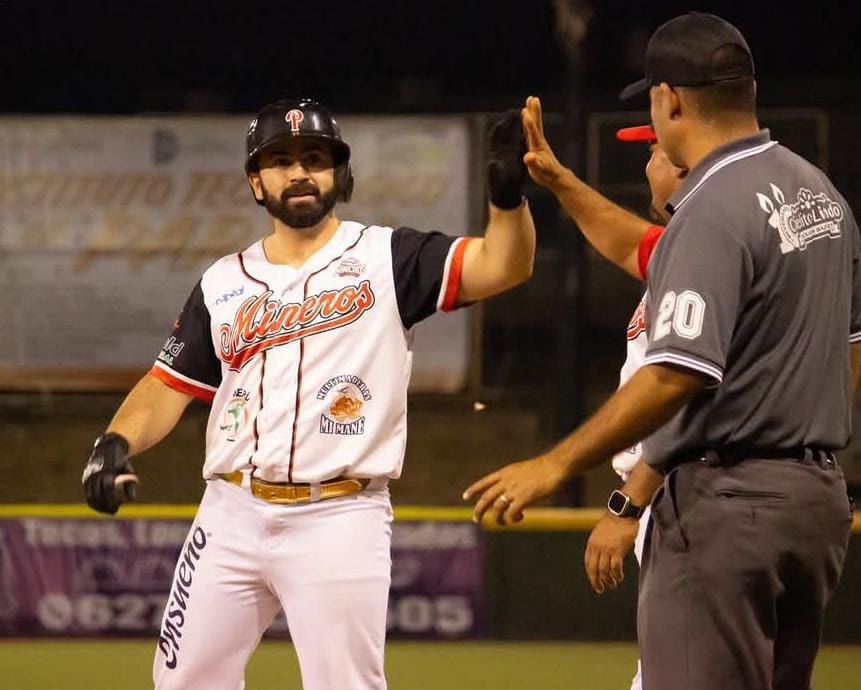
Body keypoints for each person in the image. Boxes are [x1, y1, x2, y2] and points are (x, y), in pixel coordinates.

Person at [81, 96, 536, 690]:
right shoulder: (221, 282)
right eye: (280, 160)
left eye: (315, 157)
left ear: (338, 175)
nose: (299, 172)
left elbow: (506, 265)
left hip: (340, 516)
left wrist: (507, 200)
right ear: (256, 181)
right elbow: (167, 383)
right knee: (182, 681)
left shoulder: (388, 257)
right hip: (231, 512)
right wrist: (116, 439)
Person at [465, 13, 858, 690]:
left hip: (728, 500)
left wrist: (555, 464)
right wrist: (559, 180)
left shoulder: (710, 208)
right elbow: (848, 352)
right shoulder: (815, 192)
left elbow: (676, 373)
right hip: (814, 501)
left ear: (669, 99)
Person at [516, 95, 687, 690]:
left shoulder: (711, 249)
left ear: (685, 164)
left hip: (684, 495)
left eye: (655, 151)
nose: (647, 164)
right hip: (680, 497)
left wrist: (628, 501)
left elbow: (688, 392)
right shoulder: (683, 250)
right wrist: (559, 181)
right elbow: (622, 241)